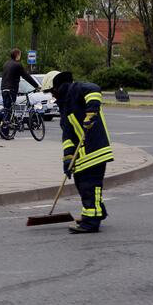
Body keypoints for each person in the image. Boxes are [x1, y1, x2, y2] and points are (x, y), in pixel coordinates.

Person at [40, 71, 113, 234]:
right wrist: (67, 159)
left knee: (90, 185)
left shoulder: (76, 89)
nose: (53, 95)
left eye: (52, 91)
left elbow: (94, 89)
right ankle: (97, 211)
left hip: (95, 149)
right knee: (82, 182)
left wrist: (92, 111)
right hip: (83, 153)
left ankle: (90, 222)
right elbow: (68, 137)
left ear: (58, 86)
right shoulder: (65, 108)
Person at [0, 48, 39, 139]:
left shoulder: (6, 64)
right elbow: (26, 76)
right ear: (17, 55)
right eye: (20, 55)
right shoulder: (17, 65)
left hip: (3, 88)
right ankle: (5, 133)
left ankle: (3, 132)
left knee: (7, 109)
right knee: (9, 110)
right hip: (12, 89)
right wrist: (36, 86)